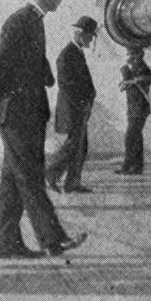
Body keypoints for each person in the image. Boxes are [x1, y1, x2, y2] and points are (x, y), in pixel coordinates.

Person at [0, 0, 87, 258]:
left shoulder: (34, 22)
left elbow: (28, 62)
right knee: (29, 175)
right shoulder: (20, 21)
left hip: (25, 112)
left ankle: (9, 244)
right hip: (16, 114)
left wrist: (46, 75)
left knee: (13, 182)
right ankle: (53, 238)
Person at [45, 16, 98, 193]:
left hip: (79, 107)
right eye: (89, 36)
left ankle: (71, 181)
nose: (91, 40)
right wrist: (82, 103)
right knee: (75, 145)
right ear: (80, 34)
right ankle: (52, 173)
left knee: (79, 146)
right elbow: (66, 84)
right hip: (73, 107)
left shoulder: (76, 52)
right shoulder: (67, 54)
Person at [115, 46, 151, 175]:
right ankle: (136, 166)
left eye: (130, 54)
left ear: (137, 55)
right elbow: (129, 84)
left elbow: (140, 82)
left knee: (130, 137)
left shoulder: (143, 68)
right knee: (136, 137)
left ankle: (129, 165)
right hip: (133, 108)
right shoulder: (136, 68)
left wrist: (127, 75)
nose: (128, 57)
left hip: (139, 108)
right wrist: (126, 77)